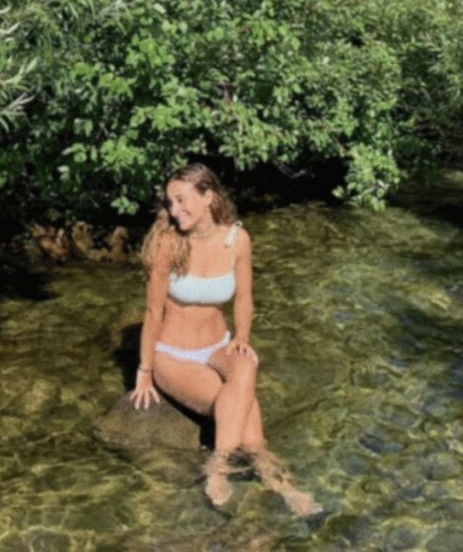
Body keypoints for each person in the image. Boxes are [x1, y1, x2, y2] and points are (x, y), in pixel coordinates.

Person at [130, 162, 321, 516]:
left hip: (218, 344)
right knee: (242, 414)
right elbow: (153, 313)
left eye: (182, 200)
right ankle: (272, 481)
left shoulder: (237, 239)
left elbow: (244, 297)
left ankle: (222, 466)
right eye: (170, 202)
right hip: (174, 354)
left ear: (209, 197)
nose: (174, 210)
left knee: (245, 363)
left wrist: (243, 336)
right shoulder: (167, 243)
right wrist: (144, 370)